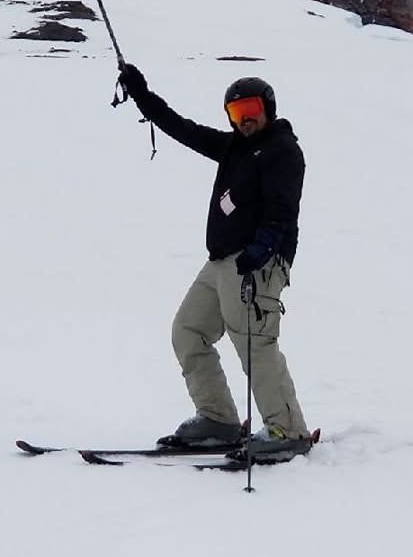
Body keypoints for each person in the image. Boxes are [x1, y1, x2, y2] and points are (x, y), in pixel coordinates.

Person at [117, 64, 311, 460]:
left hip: (258, 264)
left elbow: (282, 210)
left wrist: (261, 250)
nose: (245, 119)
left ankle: (287, 429)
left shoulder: (282, 150)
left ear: (268, 108)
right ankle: (218, 419)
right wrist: (141, 94)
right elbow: (182, 129)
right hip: (221, 261)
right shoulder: (233, 148)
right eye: (237, 113)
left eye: (251, 110)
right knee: (188, 330)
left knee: (255, 344)